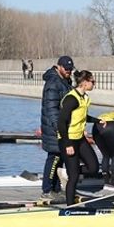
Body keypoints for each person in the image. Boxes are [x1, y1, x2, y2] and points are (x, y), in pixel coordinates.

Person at [56, 69, 100, 206]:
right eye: (93, 81)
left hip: (79, 138)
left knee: (93, 167)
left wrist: (97, 121)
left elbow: (81, 116)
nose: (94, 83)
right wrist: (68, 144)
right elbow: (61, 122)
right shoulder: (71, 99)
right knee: (74, 177)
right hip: (67, 140)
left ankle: (67, 171)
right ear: (85, 83)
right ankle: (70, 207)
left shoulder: (84, 97)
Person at [39, 55, 74, 202]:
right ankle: (47, 190)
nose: (68, 71)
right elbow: (52, 109)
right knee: (54, 158)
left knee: (59, 159)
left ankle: (56, 189)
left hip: (63, 126)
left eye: (70, 69)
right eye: (66, 69)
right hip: (55, 128)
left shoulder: (64, 81)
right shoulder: (53, 83)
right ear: (58, 67)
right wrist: (58, 128)